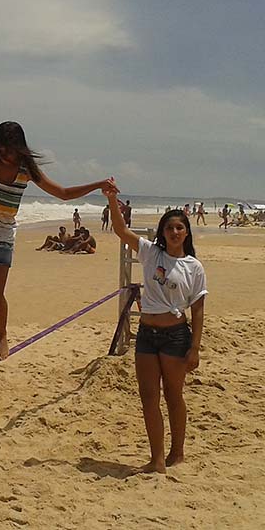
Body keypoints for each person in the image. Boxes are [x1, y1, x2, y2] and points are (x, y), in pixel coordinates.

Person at [0, 103, 115, 373]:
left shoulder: (27, 170)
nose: (5, 155)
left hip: (1, 235)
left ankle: (2, 333)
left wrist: (98, 184)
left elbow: (63, 192)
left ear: (19, 148)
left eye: (9, 150)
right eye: (1, 149)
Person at [104, 188, 207, 474]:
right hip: (147, 335)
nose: (174, 231)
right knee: (148, 396)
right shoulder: (151, 253)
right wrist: (112, 199)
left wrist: (195, 348)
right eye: (170, 227)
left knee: (174, 395)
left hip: (176, 336)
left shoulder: (193, 267)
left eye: (179, 227)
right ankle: (157, 458)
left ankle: (178, 453)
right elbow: (121, 230)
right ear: (162, 232)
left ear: (186, 233)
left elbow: (198, 309)